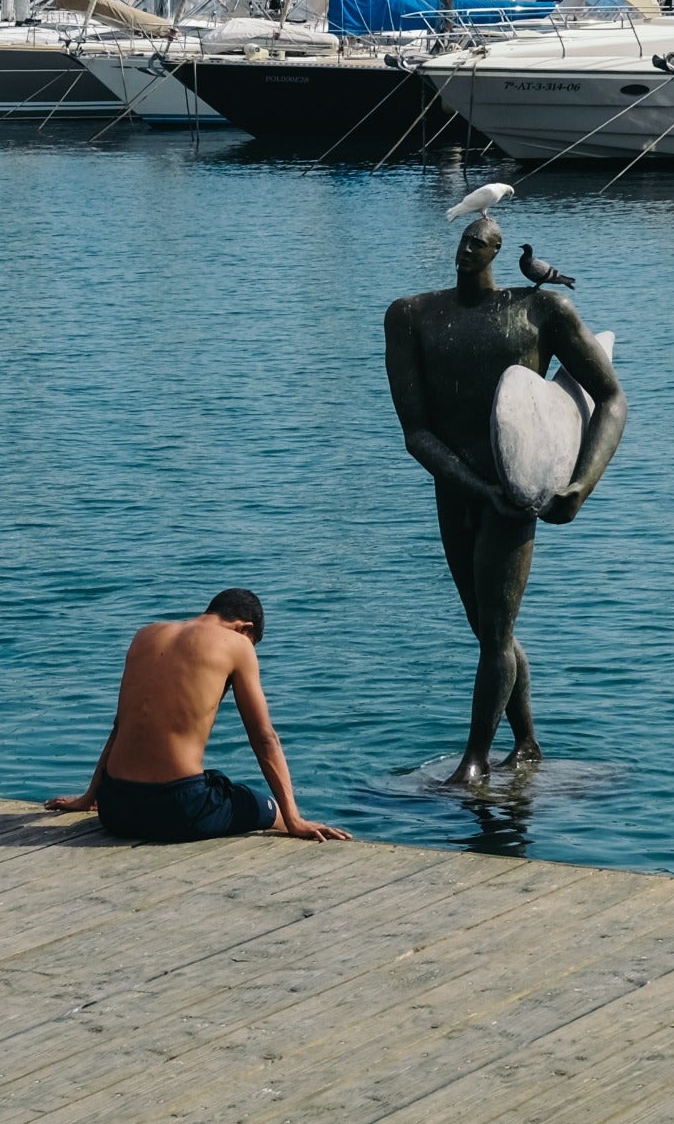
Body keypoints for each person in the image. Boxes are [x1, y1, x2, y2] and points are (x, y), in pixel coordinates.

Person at [383, 217, 626, 785]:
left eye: (480, 243)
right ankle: (528, 743)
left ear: (497, 251)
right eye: (464, 240)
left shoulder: (543, 311)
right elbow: (416, 432)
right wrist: (474, 486)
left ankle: (474, 761)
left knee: (495, 632)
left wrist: (580, 484)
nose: (467, 250)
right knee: (491, 628)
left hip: (516, 494)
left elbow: (611, 398)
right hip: (457, 490)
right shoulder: (411, 315)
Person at [45, 589, 351, 843]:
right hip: (179, 813)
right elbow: (264, 738)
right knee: (263, 807)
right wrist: (294, 819)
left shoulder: (145, 635)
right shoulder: (237, 644)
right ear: (244, 628)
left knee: (213, 781)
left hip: (115, 810)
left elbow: (119, 727)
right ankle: (298, 824)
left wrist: (88, 799)